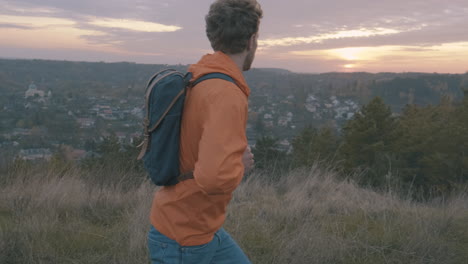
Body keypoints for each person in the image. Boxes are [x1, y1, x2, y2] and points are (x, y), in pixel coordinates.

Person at [147, 0, 263, 263]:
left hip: (198, 228)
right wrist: (240, 165)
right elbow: (213, 179)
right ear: (252, 40)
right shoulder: (226, 93)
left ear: (214, 37)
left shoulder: (200, 75)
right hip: (184, 239)